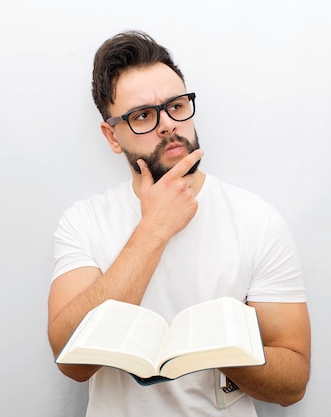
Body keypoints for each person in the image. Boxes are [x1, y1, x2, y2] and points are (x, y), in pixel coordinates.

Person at [47, 30, 311, 416]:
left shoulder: (258, 221)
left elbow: (293, 382)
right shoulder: (83, 222)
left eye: (176, 105)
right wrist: (154, 229)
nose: (168, 125)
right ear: (112, 136)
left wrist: (223, 346)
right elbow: (71, 360)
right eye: (142, 116)